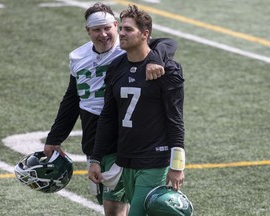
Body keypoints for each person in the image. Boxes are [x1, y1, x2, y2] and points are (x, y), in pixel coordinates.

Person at [43, 2, 177, 216]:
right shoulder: (77, 57)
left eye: (108, 28)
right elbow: (72, 98)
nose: (103, 34)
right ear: (88, 31)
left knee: (114, 207)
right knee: (108, 203)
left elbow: (167, 43)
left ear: (115, 25)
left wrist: (155, 59)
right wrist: (54, 137)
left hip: (121, 135)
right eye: (96, 29)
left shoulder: (125, 49)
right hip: (94, 136)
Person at [88, 4, 185, 216]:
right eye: (121, 28)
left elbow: (175, 120)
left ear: (145, 34)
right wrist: (96, 158)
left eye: (128, 29)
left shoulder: (167, 71)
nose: (121, 33)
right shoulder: (116, 67)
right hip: (125, 160)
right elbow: (108, 117)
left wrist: (177, 165)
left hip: (154, 162)